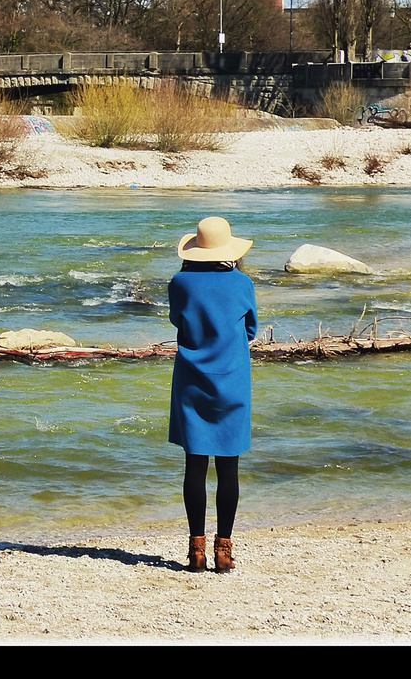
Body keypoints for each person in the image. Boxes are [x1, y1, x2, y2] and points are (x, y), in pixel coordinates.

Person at [168, 216, 258, 573]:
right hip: (233, 378)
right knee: (229, 467)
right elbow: (250, 327)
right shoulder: (242, 283)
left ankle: (196, 551)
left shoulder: (179, 282)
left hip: (191, 378)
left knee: (195, 464)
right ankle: (224, 551)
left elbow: (178, 320)